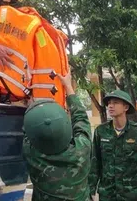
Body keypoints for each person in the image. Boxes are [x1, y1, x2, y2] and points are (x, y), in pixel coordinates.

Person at [22, 70, 92, 200]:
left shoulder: (32, 155)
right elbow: (81, 119)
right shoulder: (82, 149)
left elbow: (29, 129)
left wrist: (31, 102)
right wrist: (68, 86)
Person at [89, 90, 137, 201]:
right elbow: (95, 163)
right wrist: (90, 190)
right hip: (108, 194)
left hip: (132, 195)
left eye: (115, 102)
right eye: (109, 103)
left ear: (126, 107)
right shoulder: (100, 132)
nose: (110, 106)